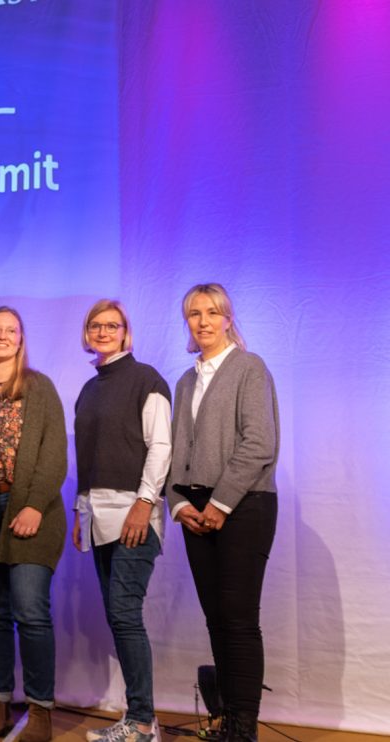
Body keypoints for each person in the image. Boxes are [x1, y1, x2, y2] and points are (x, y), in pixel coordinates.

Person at [166, 284, 278, 742]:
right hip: (196, 513)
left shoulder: (250, 368)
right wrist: (177, 505)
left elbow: (260, 444)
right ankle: (228, 720)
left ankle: (243, 729)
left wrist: (219, 503)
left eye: (213, 313)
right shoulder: (186, 381)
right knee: (216, 619)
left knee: (238, 620)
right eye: (195, 313)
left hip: (243, 507)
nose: (204, 321)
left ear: (229, 319)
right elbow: (177, 452)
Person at [68, 300, 171, 742]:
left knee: (124, 613)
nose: (104, 330)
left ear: (126, 332)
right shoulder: (90, 389)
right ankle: (140, 719)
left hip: (133, 511)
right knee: (117, 614)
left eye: (113, 325)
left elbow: (161, 446)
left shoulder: (146, 379)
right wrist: (79, 508)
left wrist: (145, 504)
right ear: (87, 333)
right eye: (96, 325)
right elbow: (88, 457)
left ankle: (143, 724)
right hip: (96, 512)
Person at [0, 306, 66, 742]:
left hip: (30, 511)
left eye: (12, 330)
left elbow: (54, 454)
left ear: (21, 339)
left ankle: (41, 711)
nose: (3, 336)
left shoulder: (39, 387)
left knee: (30, 611)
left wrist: (33, 506)